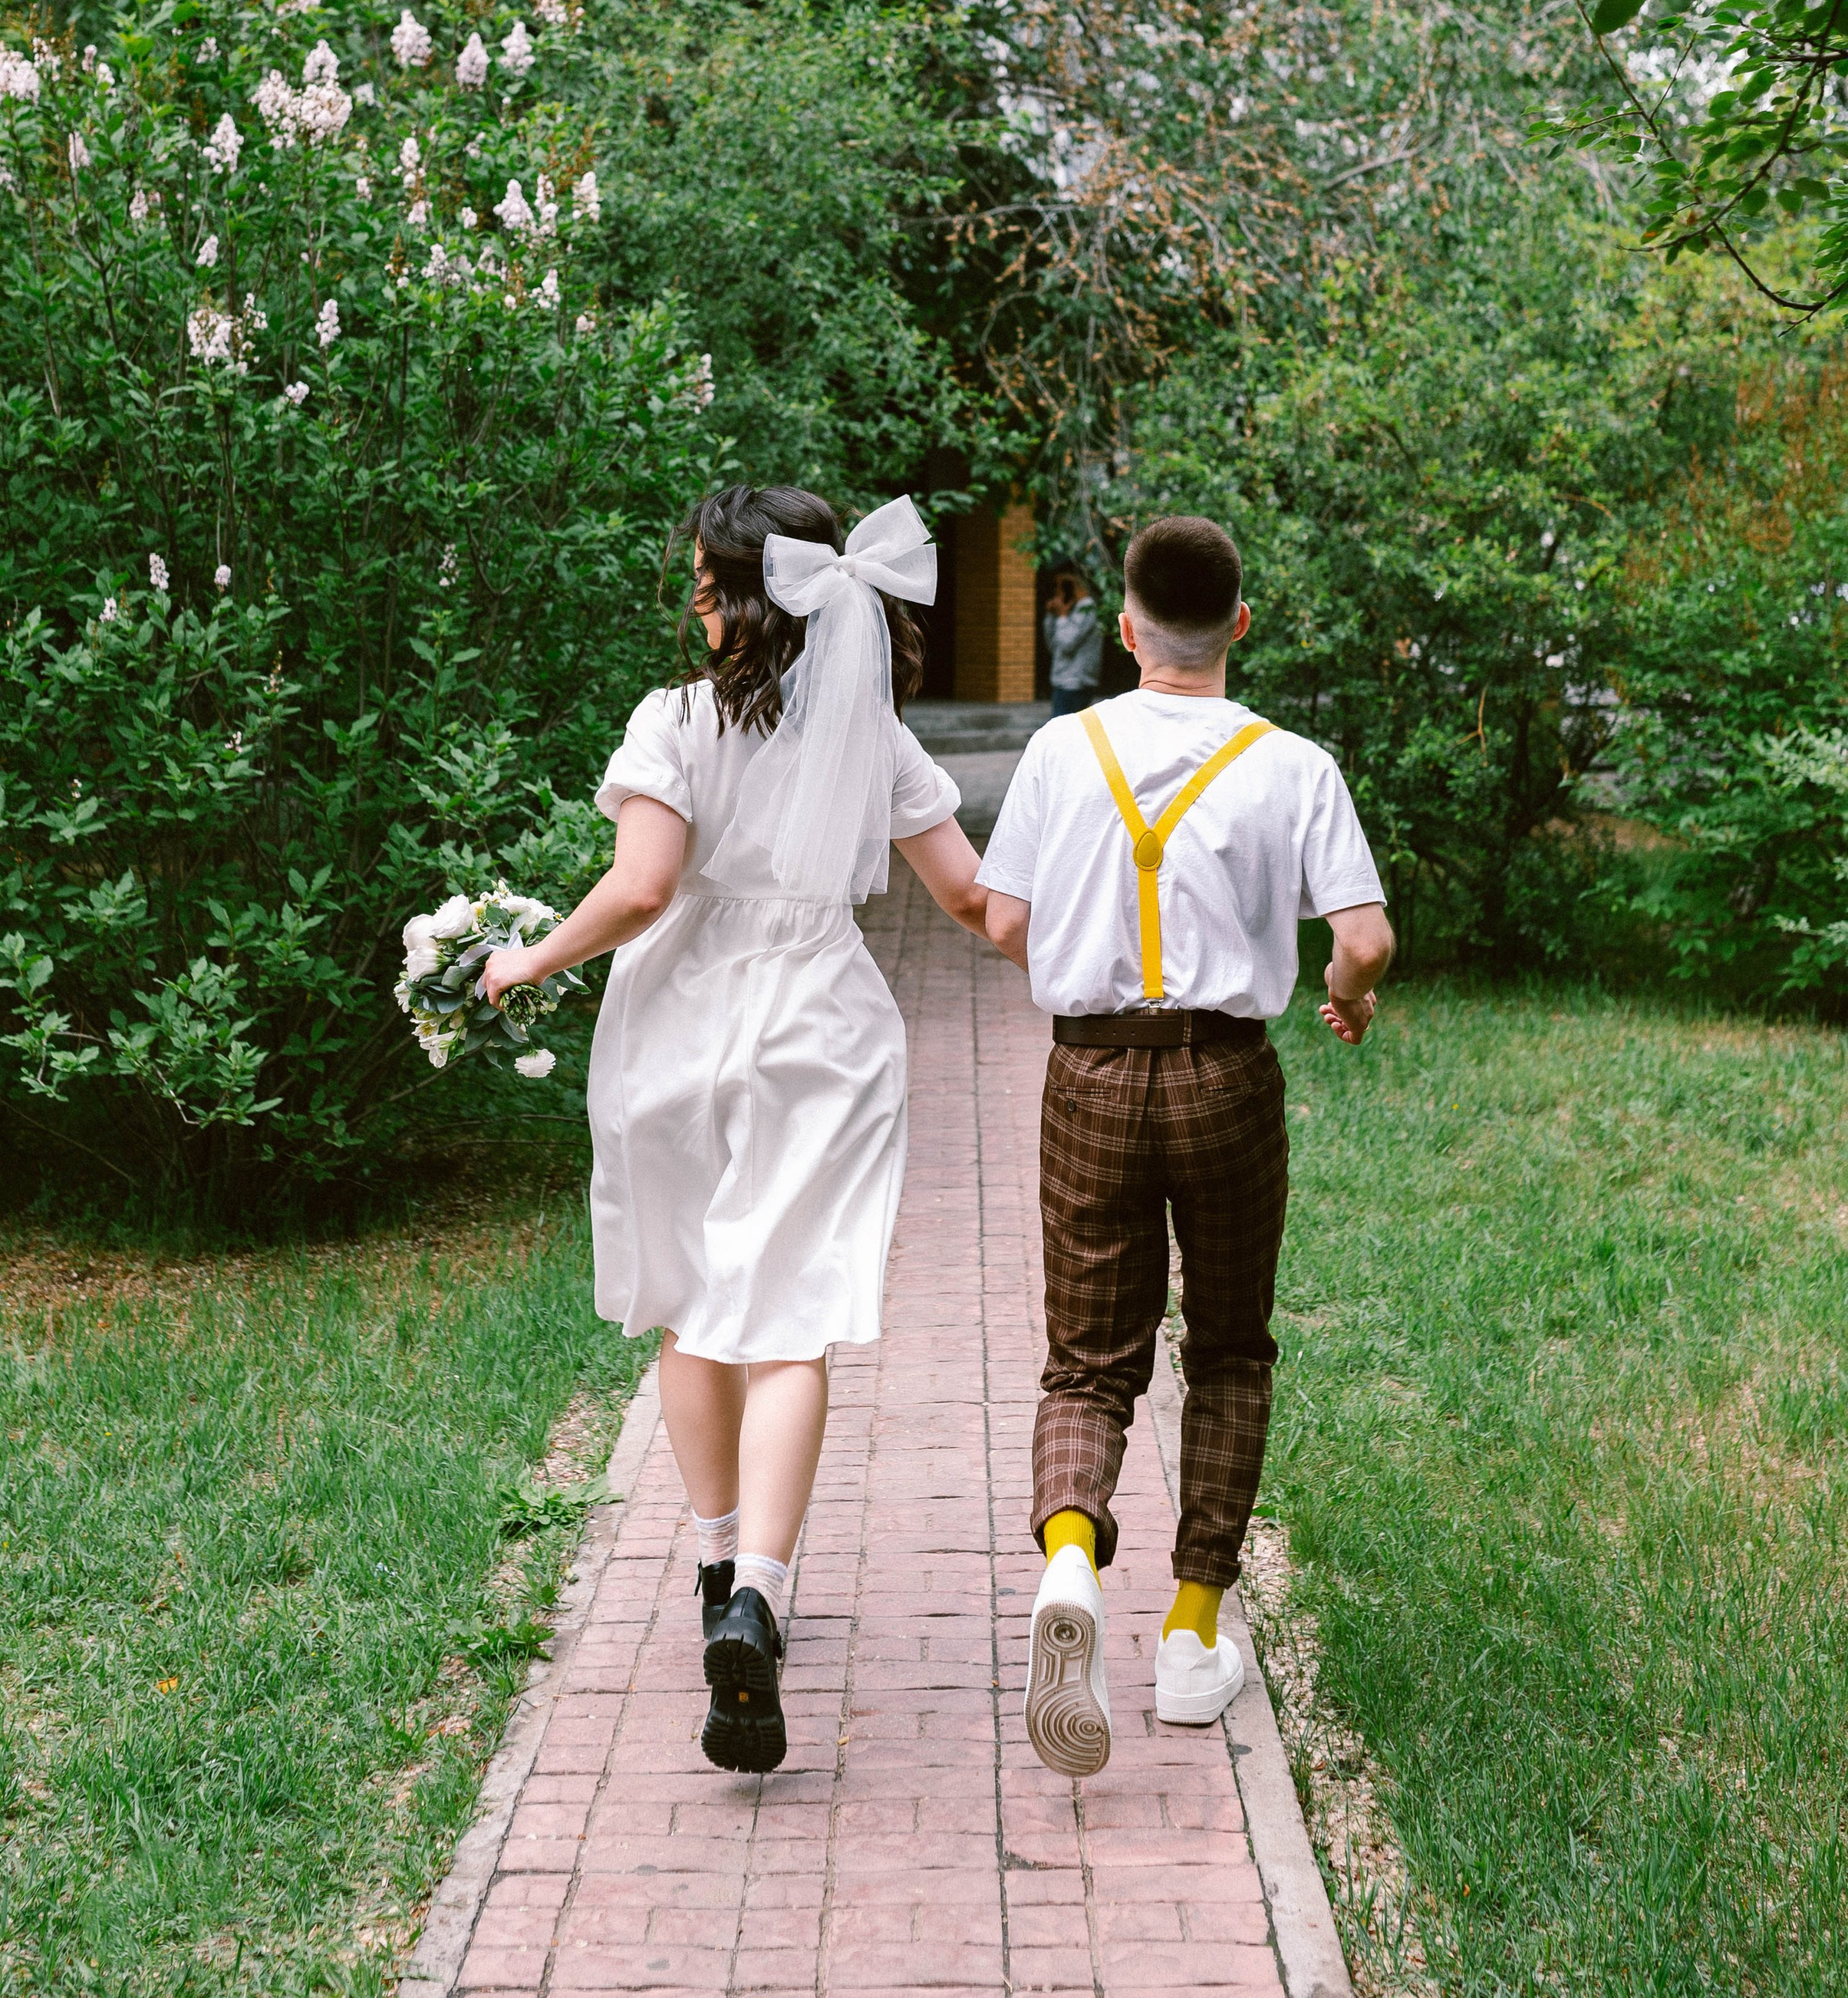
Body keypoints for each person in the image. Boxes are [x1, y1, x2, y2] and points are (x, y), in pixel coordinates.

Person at [484, 486, 989, 1776]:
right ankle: (764, 1586)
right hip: (820, 1021)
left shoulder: (675, 721)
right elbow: (975, 899)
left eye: (701, 583)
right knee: (790, 1311)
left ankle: (714, 1566)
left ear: (731, 597)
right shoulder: (867, 734)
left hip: (685, 1021)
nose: (691, 605)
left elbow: (645, 884)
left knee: (695, 1300)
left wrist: (529, 957)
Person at [977, 513, 1393, 1777]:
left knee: (1087, 1358)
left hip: (1090, 1071)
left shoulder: (1063, 748)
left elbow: (1004, 915)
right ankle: (1193, 1633)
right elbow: (1365, 935)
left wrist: (1072, 969)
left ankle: (1068, 1558)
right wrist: (1351, 990)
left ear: (1123, 628)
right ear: (1241, 625)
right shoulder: (1294, 763)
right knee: (1226, 1345)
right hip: (1226, 1077)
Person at [1043, 572, 1103, 718]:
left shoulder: (1086, 609)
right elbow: (1054, 646)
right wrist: (1052, 616)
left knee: (1062, 735)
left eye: (1061, 587)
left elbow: (1066, 644)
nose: (1057, 592)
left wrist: (1062, 616)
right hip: (1064, 682)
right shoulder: (1073, 610)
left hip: (1075, 683)